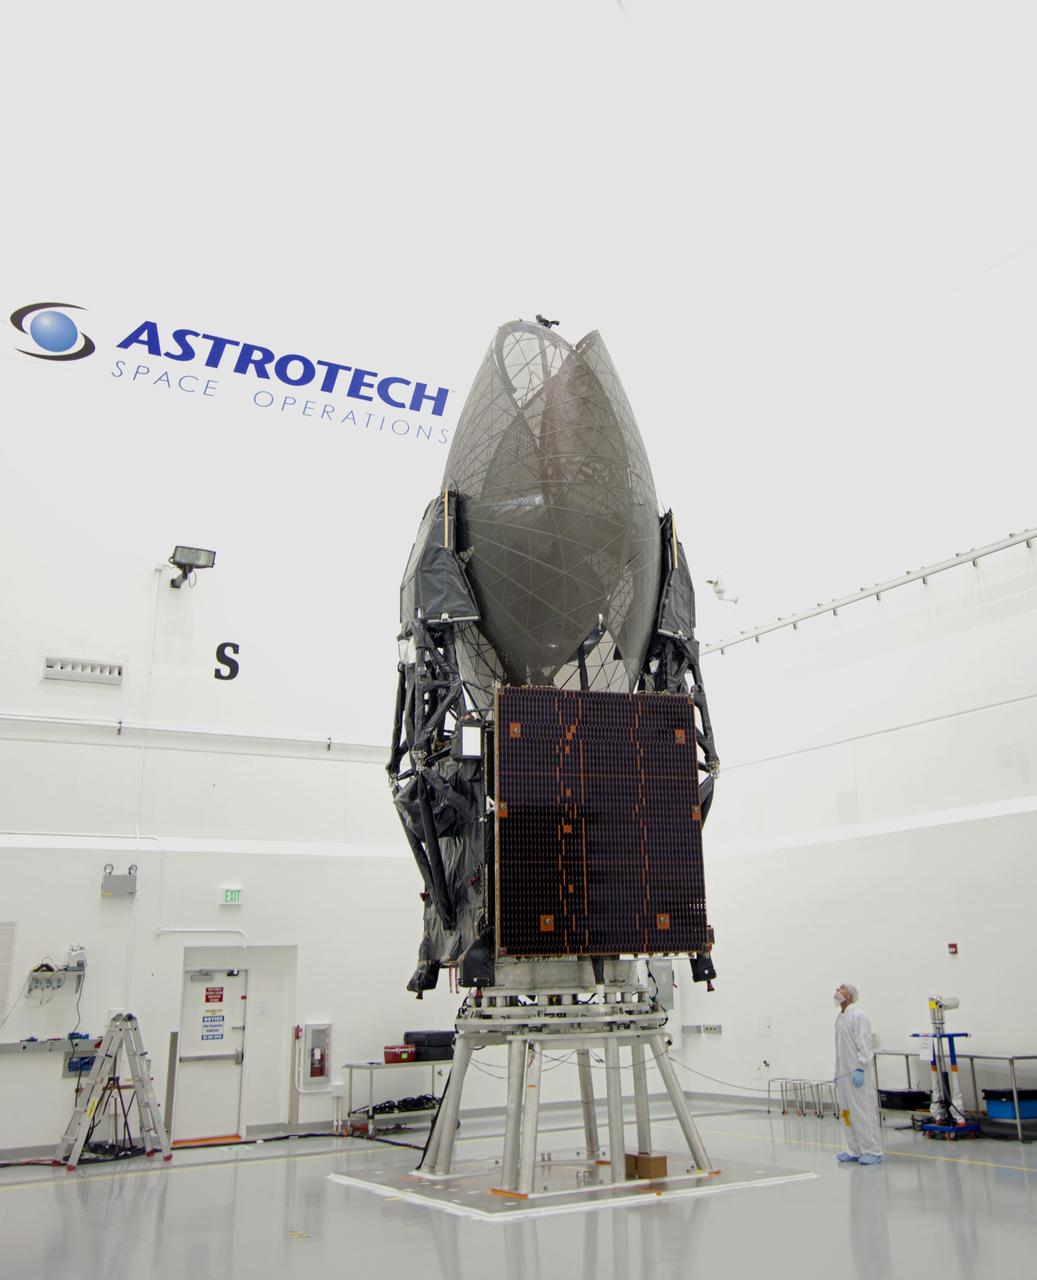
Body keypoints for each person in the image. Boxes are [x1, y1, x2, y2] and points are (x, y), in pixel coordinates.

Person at [833, 983, 883, 1164]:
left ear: (851, 996)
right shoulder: (839, 1019)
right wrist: (837, 1072)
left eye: (842, 989)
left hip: (857, 1073)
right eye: (837, 988)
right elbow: (840, 1049)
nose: (837, 990)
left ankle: (872, 1150)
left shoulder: (858, 1016)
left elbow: (865, 1045)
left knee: (863, 1112)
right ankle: (854, 1149)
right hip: (844, 1074)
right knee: (846, 1113)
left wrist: (861, 1067)